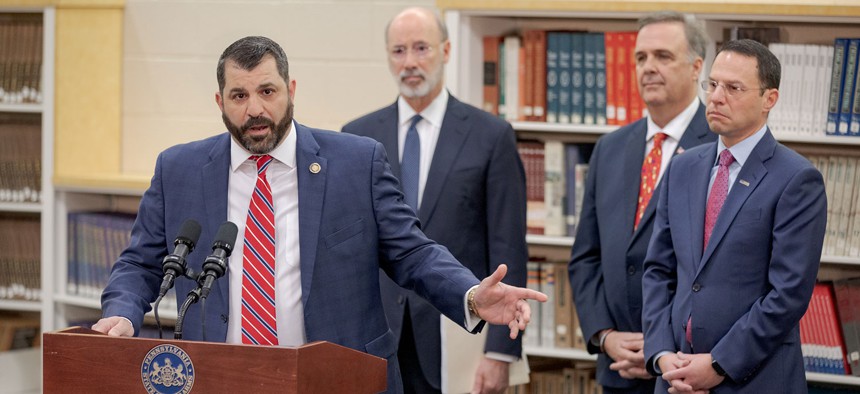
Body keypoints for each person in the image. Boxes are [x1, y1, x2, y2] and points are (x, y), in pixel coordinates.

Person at [91, 35, 547, 394]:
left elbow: (414, 254)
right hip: (220, 379)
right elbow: (142, 262)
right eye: (239, 95)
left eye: (267, 91)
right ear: (220, 102)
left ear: (290, 90)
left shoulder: (356, 161)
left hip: (336, 380)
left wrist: (469, 295)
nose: (255, 109)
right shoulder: (179, 169)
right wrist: (123, 313)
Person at [341, 7, 528, 394]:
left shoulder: (491, 135)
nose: (410, 62)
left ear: (445, 50)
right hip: (376, 338)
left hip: (459, 335)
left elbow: (508, 245)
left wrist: (501, 352)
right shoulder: (356, 138)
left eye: (421, 48)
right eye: (398, 51)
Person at [641, 39, 827, 393]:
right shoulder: (681, 168)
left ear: (769, 99)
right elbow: (658, 271)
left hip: (753, 379)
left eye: (733, 88)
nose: (716, 97)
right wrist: (663, 354)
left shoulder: (797, 179)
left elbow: (787, 295)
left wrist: (717, 364)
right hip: (675, 377)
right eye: (712, 84)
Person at [567, 11, 716, 394]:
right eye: (641, 58)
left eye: (663, 56)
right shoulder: (609, 148)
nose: (649, 67)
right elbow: (586, 256)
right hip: (618, 366)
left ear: (696, 67)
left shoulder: (719, 149)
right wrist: (605, 335)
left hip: (687, 370)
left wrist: (663, 349)